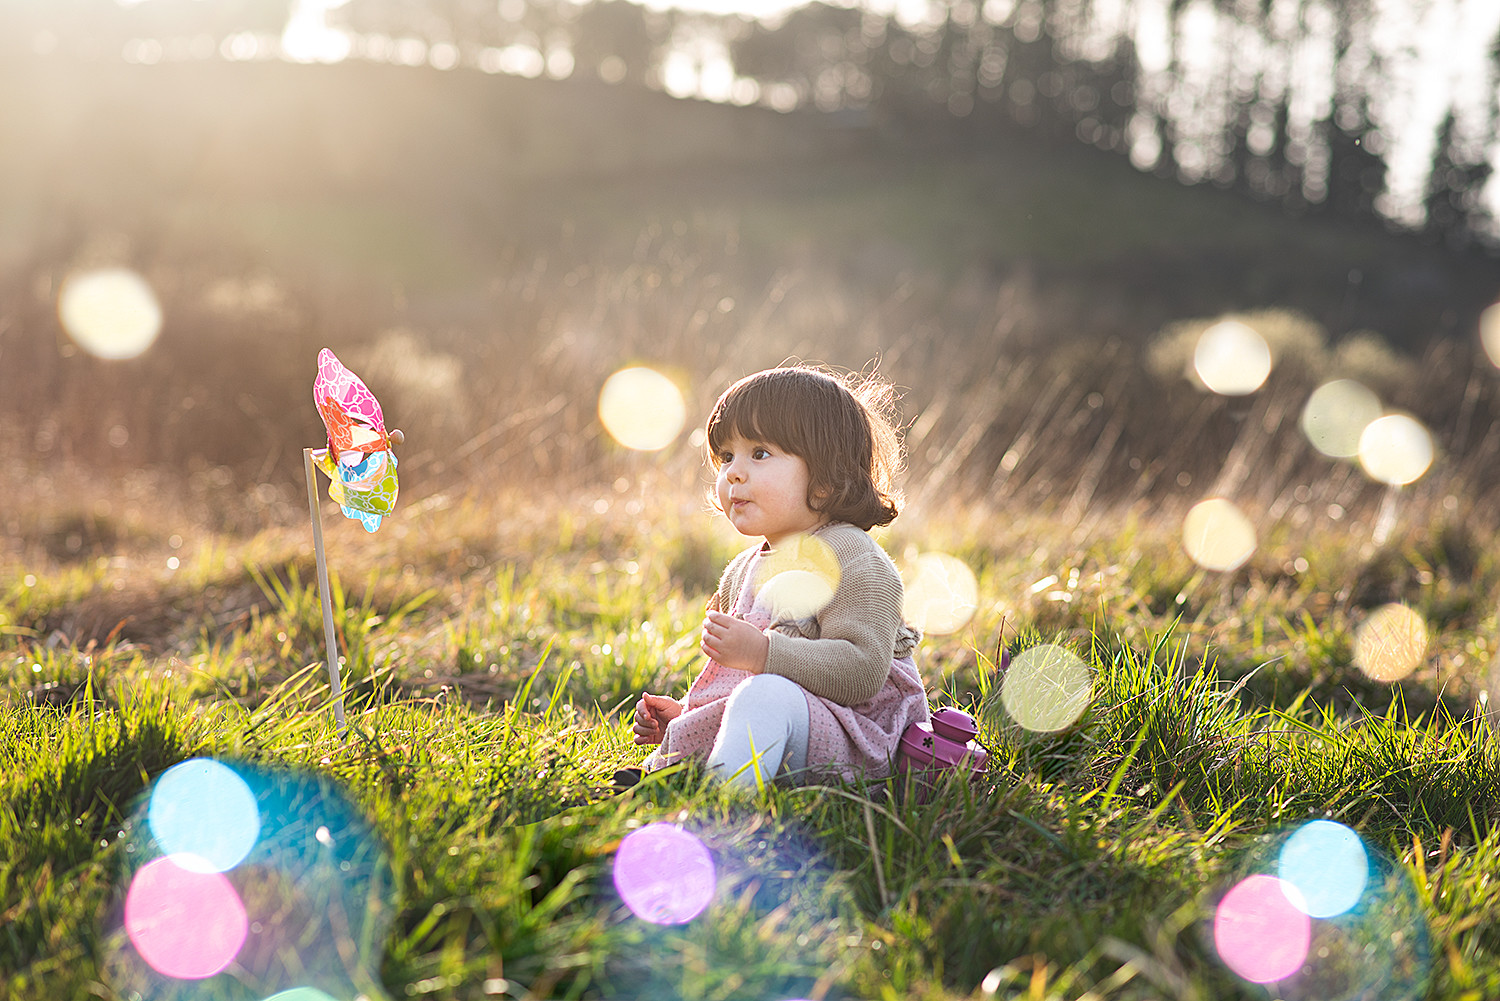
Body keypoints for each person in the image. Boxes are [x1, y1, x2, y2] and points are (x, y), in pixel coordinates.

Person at [629, 365, 931, 790]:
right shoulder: (743, 569)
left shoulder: (855, 558)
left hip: (858, 742)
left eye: (759, 454)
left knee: (766, 694)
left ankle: (722, 808)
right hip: (799, 729)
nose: (733, 472)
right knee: (761, 695)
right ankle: (684, 771)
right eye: (726, 456)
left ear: (825, 479)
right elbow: (747, 687)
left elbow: (861, 672)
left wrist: (763, 652)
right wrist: (690, 718)